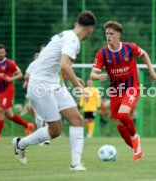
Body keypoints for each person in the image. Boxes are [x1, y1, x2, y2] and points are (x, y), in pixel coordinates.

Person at [12, 10, 97, 171]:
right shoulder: (73, 40)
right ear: (90, 30)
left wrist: (74, 77)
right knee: (55, 130)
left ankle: (76, 164)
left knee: (77, 119)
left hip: (54, 84)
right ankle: (20, 144)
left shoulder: (66, 34)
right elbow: (64, 65)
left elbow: (58, 62)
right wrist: (81, 88)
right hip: (40, 85)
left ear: (76, 23)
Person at [90, 21, 156, 161]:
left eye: (111, 33)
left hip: (132, 87)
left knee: (122, 115)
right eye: (106, 34)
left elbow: (144, 54)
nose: (108, 36)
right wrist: (98, 76)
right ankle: (136, 149)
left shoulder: (129, 48)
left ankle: (135, 138)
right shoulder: (102, 53)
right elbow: (92, 74)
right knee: (120, 126)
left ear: (118, 34)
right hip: (116, 90)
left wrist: (151, 70)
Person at [0, 44, 34, 144]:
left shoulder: (10, 63)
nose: (0, 54)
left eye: (2, 52)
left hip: (8, 90)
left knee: (0, 110)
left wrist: (11, 78)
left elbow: (20, 74)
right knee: (9, 115)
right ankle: (27, 125)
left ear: (5, 53)